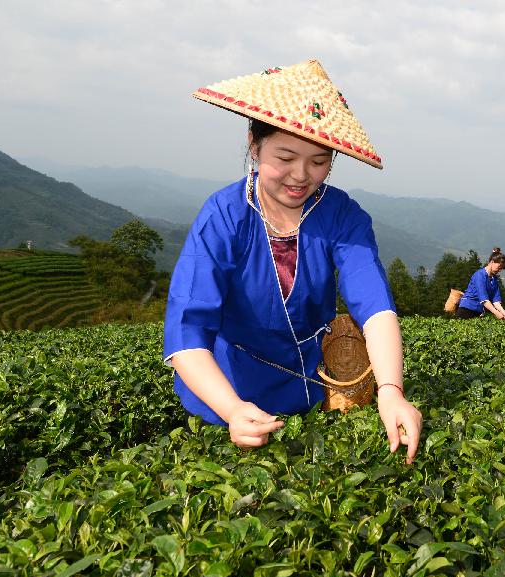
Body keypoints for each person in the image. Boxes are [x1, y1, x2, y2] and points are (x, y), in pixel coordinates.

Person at [163, 60, 422, 461]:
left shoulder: (341, 215)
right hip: (227, 390)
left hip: (310, 386)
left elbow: (374, 306)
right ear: (254, 144)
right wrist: (232, 409)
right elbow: (188, 330)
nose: (301, 176)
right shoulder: (223, 217)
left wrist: (391, 391)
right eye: (285, 157)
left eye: (319, 161)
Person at [455, 248, 505, 319]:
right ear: (492, 262)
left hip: (478, 310)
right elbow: (484, 299)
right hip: (466, 309)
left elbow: (496, 300)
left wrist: (504, 313)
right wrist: (496, 313)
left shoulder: (494, 279)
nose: (499, 270)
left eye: (501, 268)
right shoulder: (480, 275)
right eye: (499, 267)